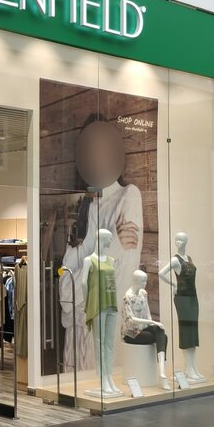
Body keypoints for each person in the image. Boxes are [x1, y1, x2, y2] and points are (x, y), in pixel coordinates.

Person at [59, 114, 144, 372]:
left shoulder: (128, 196)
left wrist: (85, 278)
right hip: (78, 337)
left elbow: (118, 279)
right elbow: (65, 291)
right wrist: (111, 248)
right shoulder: (86, 208)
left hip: (105, 332)